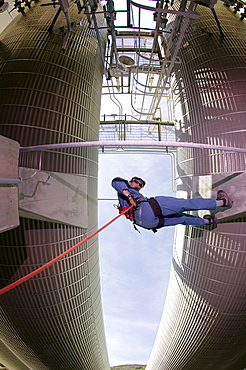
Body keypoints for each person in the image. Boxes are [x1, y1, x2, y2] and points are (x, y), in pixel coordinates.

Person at [111, 176, 233, 232]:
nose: (138, 185)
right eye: (136, 181)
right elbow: (115, 182)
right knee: (186, 204)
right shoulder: (126, 188)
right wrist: (129, 196)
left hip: (147, 224)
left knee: (182, 219)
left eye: (140, 185)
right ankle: (222, 202)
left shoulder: (125, 201)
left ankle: (208, 222)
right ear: (130, 181)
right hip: (147, 208)